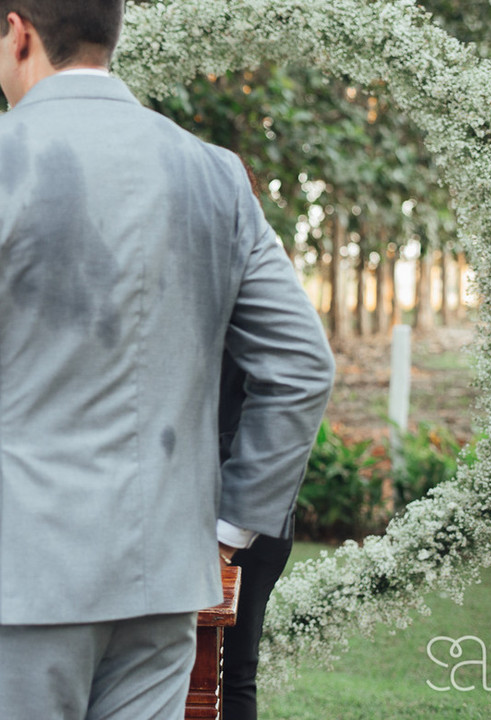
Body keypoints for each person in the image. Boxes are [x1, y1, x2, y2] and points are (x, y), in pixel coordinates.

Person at [0, 0, 334, 720]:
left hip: (5, 579)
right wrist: (229, 530)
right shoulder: (216, 173)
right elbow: (301, 366)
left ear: (17, 32)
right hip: (161, 583)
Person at [219, 165, 297, 720]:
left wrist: (228, 540)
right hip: (236, 509)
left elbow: (283, 401)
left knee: (231, 673)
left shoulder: (256, 282)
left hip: (239, 511)